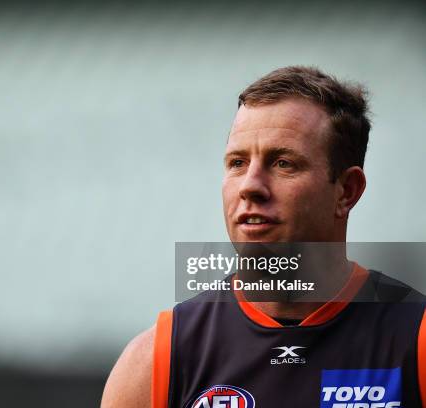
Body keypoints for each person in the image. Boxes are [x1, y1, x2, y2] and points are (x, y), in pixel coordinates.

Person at [101, 66, 426, 408]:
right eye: (237, 163)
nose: (250, 186)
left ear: (346, 191)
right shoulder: (156, 361)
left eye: (283, 163)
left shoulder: (415, 338)